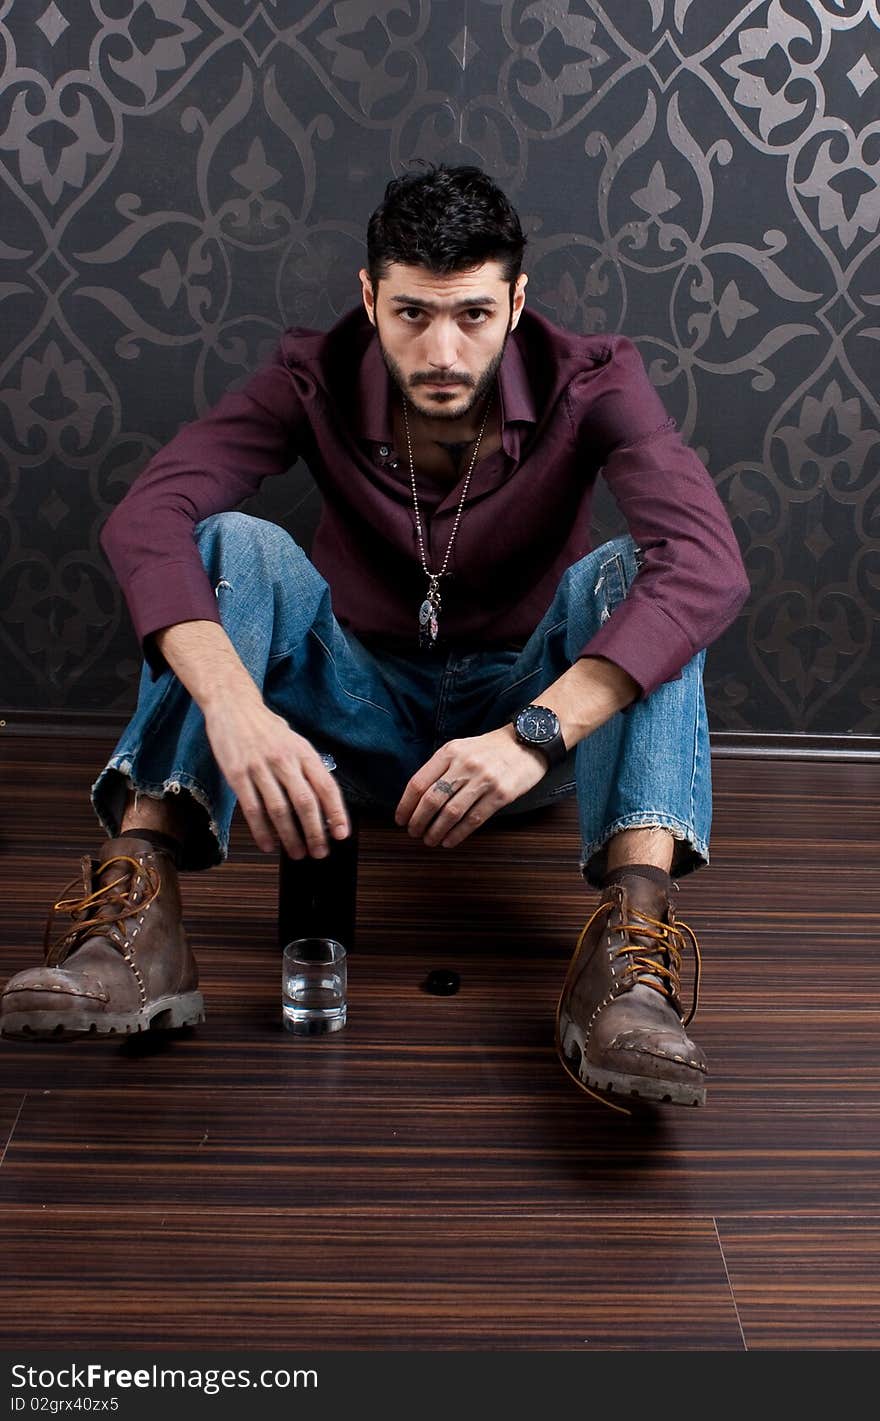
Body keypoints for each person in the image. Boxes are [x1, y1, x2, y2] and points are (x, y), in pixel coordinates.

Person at [1, 163, 749, 1111]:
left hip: (524, 728)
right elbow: (147, 519)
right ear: (370, 296)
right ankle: (139, 927)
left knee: (642, 573)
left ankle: (630, 965)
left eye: (473, 314)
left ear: (517, 302)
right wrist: (236, 710)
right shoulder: (311, 375)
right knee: (236, 543)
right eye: (411, 314)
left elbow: (710, 564)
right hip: (350, 727)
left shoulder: (594, 380)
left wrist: (532, 737)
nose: (442, 348)